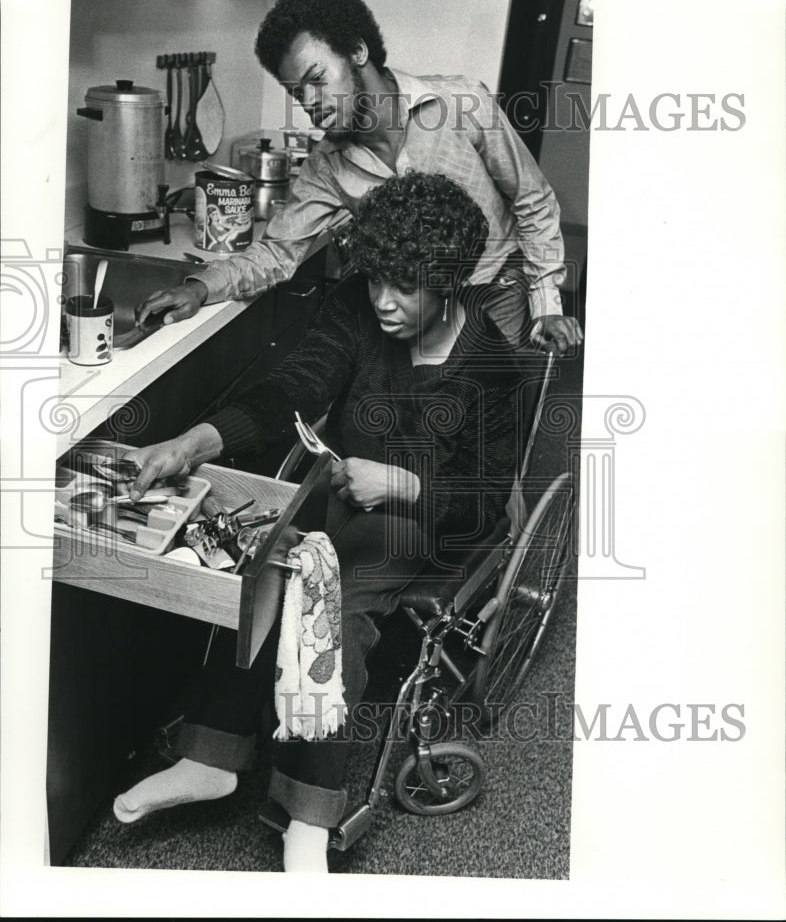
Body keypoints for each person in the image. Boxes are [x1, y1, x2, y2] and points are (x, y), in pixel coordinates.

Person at [113, 172, 527, 873]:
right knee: (263, 564)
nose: (385, 303)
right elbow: (293, 388)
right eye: (376, 282)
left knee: (327, 597)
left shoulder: (493, 367)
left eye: (406, 288)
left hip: (431, 519)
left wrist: (399, 483)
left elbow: (484, 502)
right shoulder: (356, 309)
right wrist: (194, 442)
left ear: (451, 282)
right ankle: (210, 755)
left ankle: (307, 818)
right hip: (345, 494)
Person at [137, 0, 583, 356]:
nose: (309, 103)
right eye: (297, 93)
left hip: (494, 290)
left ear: (356, 51)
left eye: (317, 79)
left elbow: (533, 198)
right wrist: (199, 287)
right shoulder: (327, 167)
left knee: (480, 431)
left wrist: (546, 300)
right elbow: (276, 252)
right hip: (411, 313)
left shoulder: (462, 105)